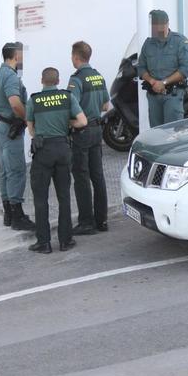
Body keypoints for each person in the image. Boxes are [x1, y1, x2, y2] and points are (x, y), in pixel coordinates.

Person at [26, 67, 88, 254]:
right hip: (63, 149)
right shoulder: (67, 97)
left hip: (43, 151)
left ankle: (43, 243)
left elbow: (30, 128)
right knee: (64, 197)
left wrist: (41, 135)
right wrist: (68, 124)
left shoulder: (34, 100)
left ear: (42, 80)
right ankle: (65, 240)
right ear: (58, 80)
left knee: (40, 198)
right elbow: (83, 121)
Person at [0, 41, 36, 230]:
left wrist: (2, 110)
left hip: (1, 126)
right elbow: (15, 103)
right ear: (16, 55)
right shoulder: (11, 77)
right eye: (22, 54)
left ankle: (8, 214)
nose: (23, 57)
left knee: (5, 172)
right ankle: (17, 216)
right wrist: (26, 119)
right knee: (16, 171)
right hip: (10, 129)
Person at [67, 41, 110, 235]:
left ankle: (86, 222)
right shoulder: (98, 77)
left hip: (82, 133)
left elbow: (71, 106)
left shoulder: (76, 80)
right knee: (97, 176)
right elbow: (105, 106)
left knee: (82, 177)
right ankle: (102, 220)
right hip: (97, 130)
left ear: (76, 57)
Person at [138, 9, 188, 127]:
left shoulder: (180, 42)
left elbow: (185, 69)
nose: (157, 29)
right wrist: (152, 81)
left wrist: (163, 82)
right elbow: (141, 68)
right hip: (154, 95)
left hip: (173, 94)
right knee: (156, 132)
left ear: (167, 23)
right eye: (154, 26)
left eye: (159, 25)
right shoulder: (148, 44)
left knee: (173, 132)